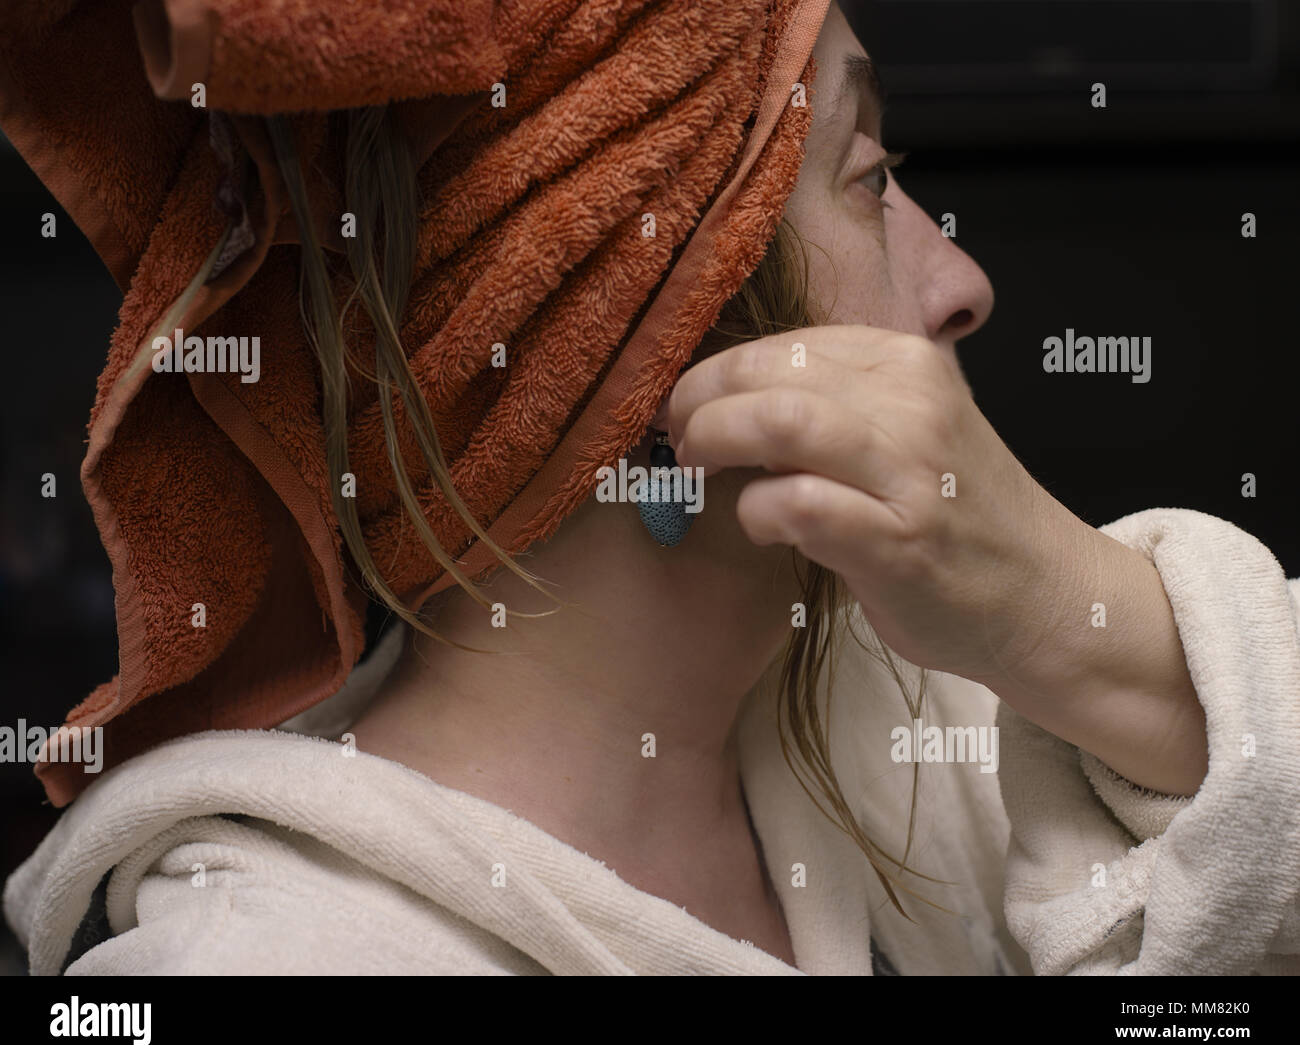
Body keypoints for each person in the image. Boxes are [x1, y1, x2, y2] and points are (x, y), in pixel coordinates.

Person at [4, 0, 1297, 976]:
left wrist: (1070, 608)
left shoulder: (930, 722)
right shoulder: (266, 958)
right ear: (648, 343)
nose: (961, 281)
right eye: (868, 178)